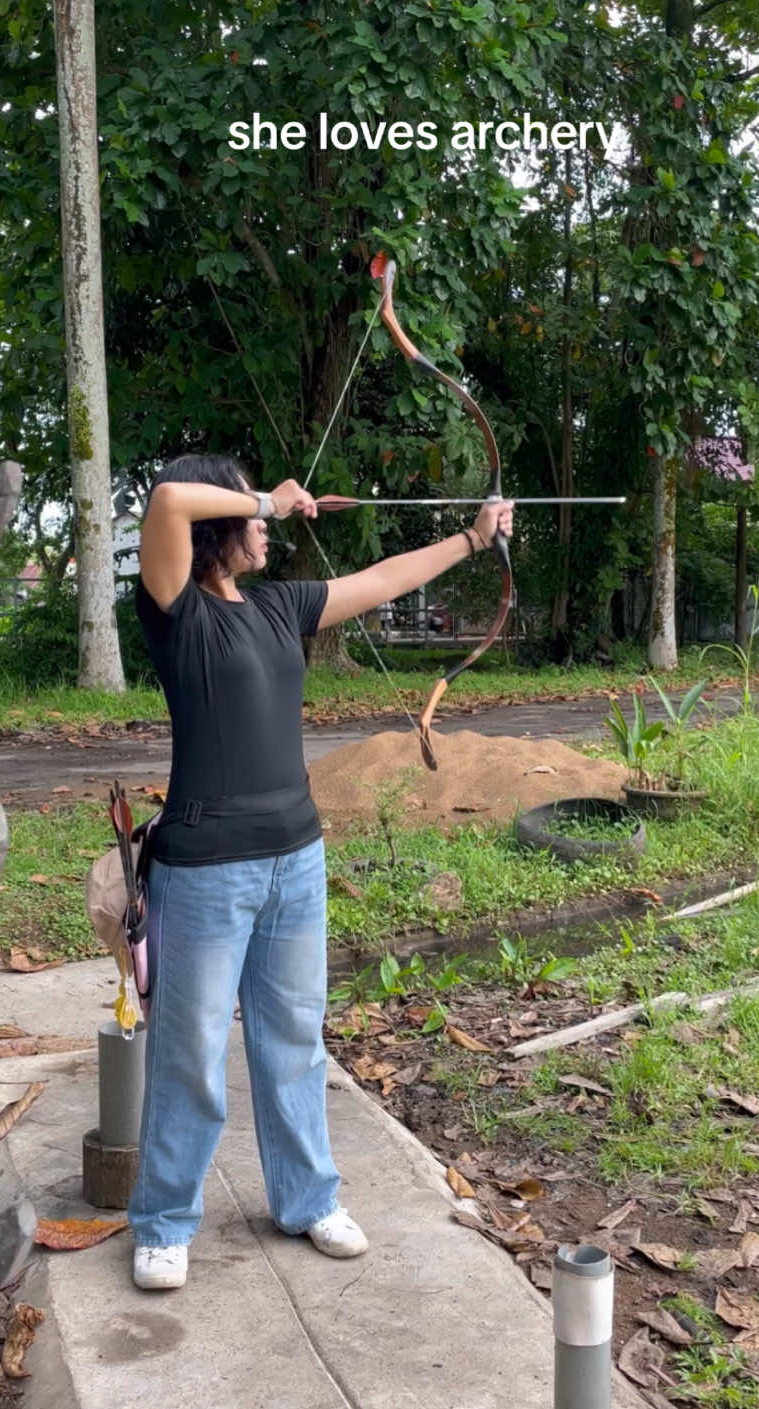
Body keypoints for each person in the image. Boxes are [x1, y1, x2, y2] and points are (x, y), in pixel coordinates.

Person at [127, 452, 513, 1290]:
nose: (264, 523)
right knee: (189, 1052)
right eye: (250, 512)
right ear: (219, 523)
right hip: (203, 872)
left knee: (296, 1042)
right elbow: (164, 500)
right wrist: (265, 493)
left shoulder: (277, 607)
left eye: (261, 507)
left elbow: (379, 580)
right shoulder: (174, 611)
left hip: (295, 861)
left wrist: (471, 541)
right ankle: (162, 1220)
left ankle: (306, 1198)